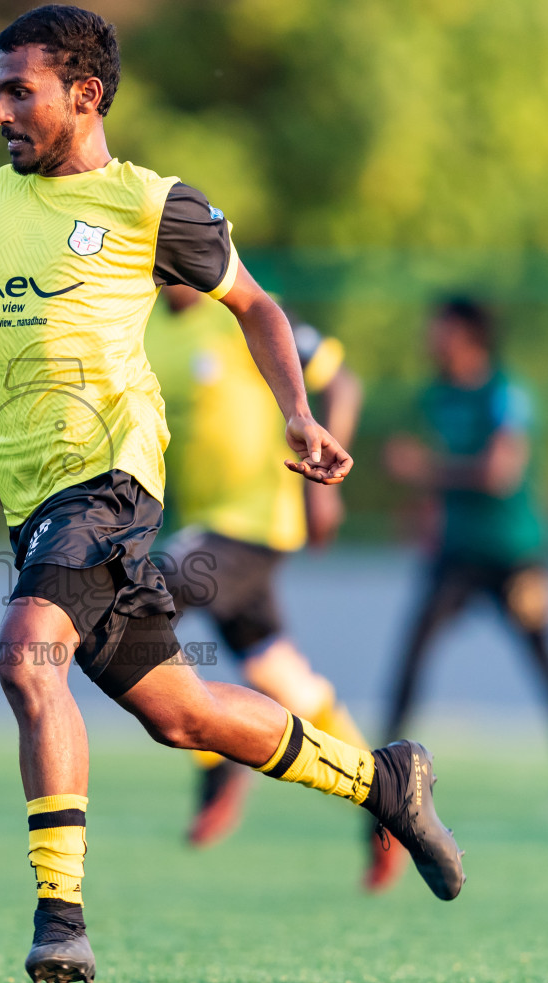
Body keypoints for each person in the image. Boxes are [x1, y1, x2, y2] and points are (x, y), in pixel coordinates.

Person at [0, 5, 464, 983]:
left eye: (18, 91)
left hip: (109, 481)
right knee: (182, 712)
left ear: (86, 96)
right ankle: (382, 780)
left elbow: (258, 305)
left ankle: (60, 918)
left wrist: (296, 411)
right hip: (33, 503)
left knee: (27, 656)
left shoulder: (154, 205)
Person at [146, 285, 408, 890]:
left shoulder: (243, 313)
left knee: (145, 599)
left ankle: (217, 759)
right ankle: (385, 797)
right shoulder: (147, 324)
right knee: (283, 678)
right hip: (208, 524)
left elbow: (342, 383)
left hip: (256, 523)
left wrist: (324, 475)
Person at [383, 296, 548, 827]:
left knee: (544, 657)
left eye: (438, 329)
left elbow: (500, 474)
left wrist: (426, 471)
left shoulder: (505, 394)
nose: (429, 338)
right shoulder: (433, 396)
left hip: (517, 556)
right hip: (459, 553)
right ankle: (385, 780)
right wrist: (423, 505)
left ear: (467, 336)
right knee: (413, 651)